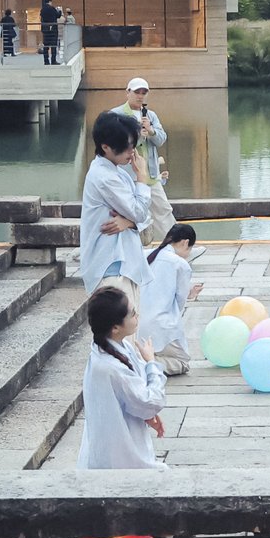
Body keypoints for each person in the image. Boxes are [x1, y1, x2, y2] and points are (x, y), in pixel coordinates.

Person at [77, 286, 167, 470]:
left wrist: (147, 413)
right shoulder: (110, 366)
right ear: (115, 327)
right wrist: (151, 363)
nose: (137, 316)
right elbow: (150, 400)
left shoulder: (114, 347)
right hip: (117, 456)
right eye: (132, 314)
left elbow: (138, 396)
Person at [79, 111, 152, 307]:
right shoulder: (105, 177)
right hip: (111, 266)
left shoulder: (116, 172)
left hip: (124, 264)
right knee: (121, 324)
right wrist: (142, 177)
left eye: (133, 146)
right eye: (125, 148)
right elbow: (139, 212)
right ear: (105, 147)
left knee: (131, 323)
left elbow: (142, 215)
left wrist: (129, 222)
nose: (131, 153)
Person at [110, 78, 177, 245]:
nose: (140, 96)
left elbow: (161, 139)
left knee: (163, 210)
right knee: (128, 213)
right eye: (136, 92)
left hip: (150, 174)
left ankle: (180, 245)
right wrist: (138, 136)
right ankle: (131, 248)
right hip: (127, 175)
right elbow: (115, 144)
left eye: (143, 93)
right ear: (128, 92)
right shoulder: (116, 115)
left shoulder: (150, 115)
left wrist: (151, 130)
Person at [139, 224, 204, 376]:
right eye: (190, 249)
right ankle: (144, 365)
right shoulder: (180, 264)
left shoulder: (145, 255)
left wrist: (188, 293)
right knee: (182, 363)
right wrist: (187, 295)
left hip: (136, 325)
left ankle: (142, 359)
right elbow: (179, 303)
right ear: (185, 243)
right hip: (160, 326)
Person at [40, 0, 62, 64]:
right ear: (50, 1)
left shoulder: (42, 10)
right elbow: (58, 16)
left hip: (45, 29)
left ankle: (46, 61)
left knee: (46, 46)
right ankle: (53, 60)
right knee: (53, 46)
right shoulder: (52, 8)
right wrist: (59, 10)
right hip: (53, 30)